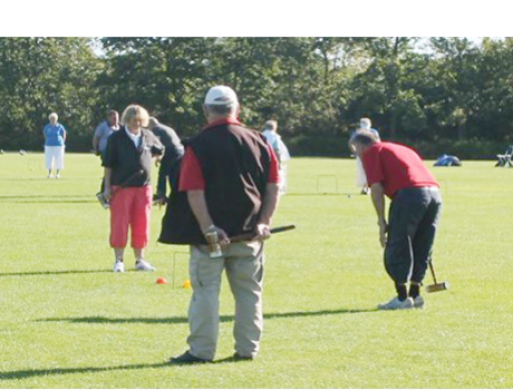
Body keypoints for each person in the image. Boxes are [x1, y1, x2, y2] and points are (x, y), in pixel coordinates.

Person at [163, 86, 281, 364]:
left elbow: (194, 190)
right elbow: (274, 186)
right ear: (237, 108)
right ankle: (247, 349)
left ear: (206, 111)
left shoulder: (199, 144)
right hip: (250, 235)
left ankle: (202, 351)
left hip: (212, 238)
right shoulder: (259, 140)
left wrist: (208, 227)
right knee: (249, 293)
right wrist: (264, 222)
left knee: (205, 292)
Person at [350, 131, 442, 310]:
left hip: (410, 195)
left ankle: (402, 297)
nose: (356, 154)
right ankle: (415, 295)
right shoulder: (401, 148)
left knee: (399, 243)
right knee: (422, 245)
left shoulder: (371, 152)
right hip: (435, 195)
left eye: (355, 150)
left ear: (360, 145)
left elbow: (376, 187)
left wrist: (381, 220)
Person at [102, 104, 165, 273]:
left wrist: (151, 161)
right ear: (126, 120)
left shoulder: (148, 135)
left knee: (142, 223)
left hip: (143, 187)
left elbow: (160, 150)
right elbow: (108, 164)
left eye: (139, 120)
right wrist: (107, 187)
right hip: (121, 187)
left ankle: (140, 259)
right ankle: (119, 260)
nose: (136, 123)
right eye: (133, 120)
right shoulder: (116, 138)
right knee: (119, 223)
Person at [147, 117, 184, 203]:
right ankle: (177, 193)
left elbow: (157, 146)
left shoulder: (155, 130)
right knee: (174, 173)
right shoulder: (166, 128)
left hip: (171, 151)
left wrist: (155, 157)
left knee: (163, 173)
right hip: (180, 150)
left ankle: (161, 194)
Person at [349, 118, 380, 195]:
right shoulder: (357, 132)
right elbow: (350, 142)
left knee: (372, 171)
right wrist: (355, 151)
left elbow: (379, 142)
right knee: (362, 171)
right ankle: (364, 188)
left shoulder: (373, 132)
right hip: (361, 155)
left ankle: (370, 188)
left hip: (372, 155)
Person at [93, 110, 120, 192]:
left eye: (117, 118)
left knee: (115, 171)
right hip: (105, 151)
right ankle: (104, 189)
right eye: (114, 117)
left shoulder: (119, 127)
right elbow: (96, 138)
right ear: (108, 118)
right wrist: (96, 149)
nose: (116, 119)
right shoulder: (102, 127)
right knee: (109, 170)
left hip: (117, 152)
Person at [262, 120, 290, 195]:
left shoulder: (261, 135)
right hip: (272, 160)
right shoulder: (275, 137)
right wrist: (279, 163)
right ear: (274, 127)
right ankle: (279, 190)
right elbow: (277, 150)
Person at [43, 112, 67, 179]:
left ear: (56, 119)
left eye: (54, 119)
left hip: (59, 145)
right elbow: (45, 134)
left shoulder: (60, 127)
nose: (52, 120)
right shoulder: (47, 127)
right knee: (49, 159)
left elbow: (64, 134)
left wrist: (62, 142)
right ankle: (50, 174)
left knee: (59, 159)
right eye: (51, 119)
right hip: (48, 145)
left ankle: (58, 174)